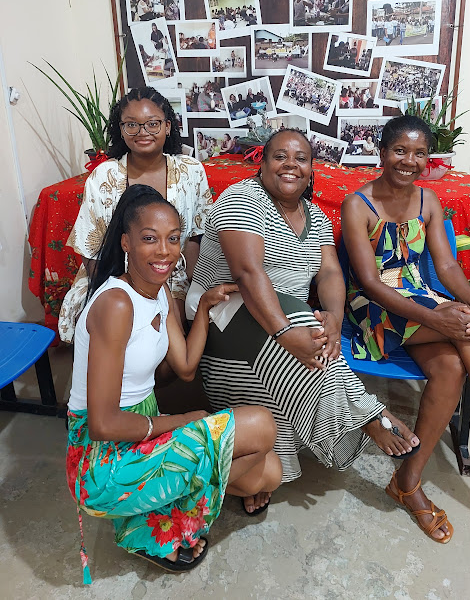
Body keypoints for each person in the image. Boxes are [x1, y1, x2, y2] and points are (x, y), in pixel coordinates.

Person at [185, 129, 419, 515]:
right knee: (301, 326)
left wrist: (334, 318)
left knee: (306, 332)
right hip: (220, 316)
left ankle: (260, 468)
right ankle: (367, 414)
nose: (290, 165)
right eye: (280, 156)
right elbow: (248, 274)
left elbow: (329, 273)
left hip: (277, 326)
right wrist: (285, 332)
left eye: (301, 158)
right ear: (262, 164)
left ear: (311, 170)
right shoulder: (242, 199)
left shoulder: (317, 217)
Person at [341, 115, 470, 544]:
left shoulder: (429, 201)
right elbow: (370, 282)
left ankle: (407, 481)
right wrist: (439, 318)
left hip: (418, 297)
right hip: (374, 308)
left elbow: (448, 266)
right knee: (464, 330)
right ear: (382, 153)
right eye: (400, 151)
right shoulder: (357, 205)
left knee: (453, 365)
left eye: (420, 153)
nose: (409, 161)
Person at [66, 185, 281, 581]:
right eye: (150, 239)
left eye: (173, 238)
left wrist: (204, 308)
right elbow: (103, 424)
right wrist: (184, 420)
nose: (164, 251)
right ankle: (157, 528)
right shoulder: (116, 303)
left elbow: (184, 366)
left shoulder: (159, 291)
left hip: (141, 426)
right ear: (127, 243)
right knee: (261, 426)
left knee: (269, 472)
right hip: (101, 459)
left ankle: (152, 515)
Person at [58, 87, 212, 343]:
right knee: (124, 327)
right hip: (114, 275)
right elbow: (90, 249)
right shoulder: (104, 175)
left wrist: (192, 283)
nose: (142, 132)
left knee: (169, 333)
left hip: (171, 272)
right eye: (132, 125)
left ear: (167, 126)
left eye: (152, 124)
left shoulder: (191, 171)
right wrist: (123, 291)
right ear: (121, 130)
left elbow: (196, 235)